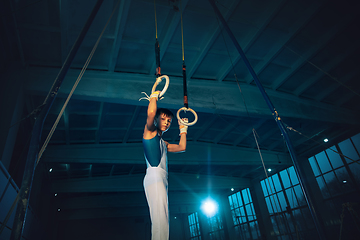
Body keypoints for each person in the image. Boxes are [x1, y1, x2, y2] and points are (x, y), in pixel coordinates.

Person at [143, 91, 188, 240]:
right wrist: (154, 97)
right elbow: (150, 114)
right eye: (163, 119)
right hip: (154, 176)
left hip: (162, 178)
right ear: (156, 119)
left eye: (169, 121)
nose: (166, 123)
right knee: (160, 219)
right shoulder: (150, 133)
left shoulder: (164, 142)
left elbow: (182, 147)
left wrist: (183, 129)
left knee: (163, 217)